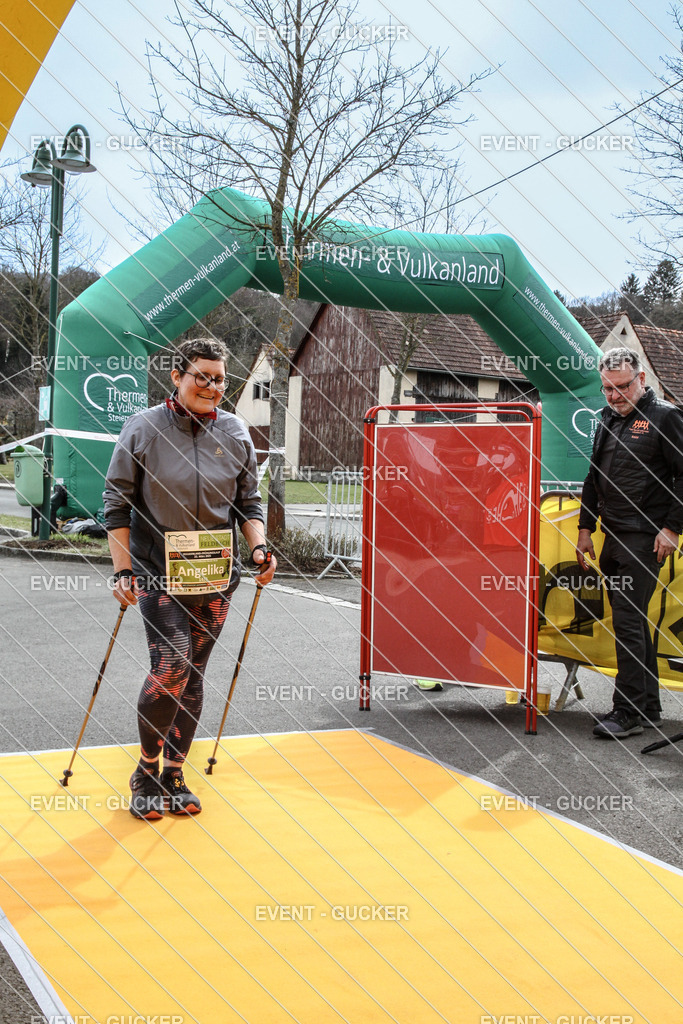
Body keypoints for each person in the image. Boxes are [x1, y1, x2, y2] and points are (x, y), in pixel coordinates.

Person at [104, 337, 276, 818]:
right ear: (177, 376)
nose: (211, 386)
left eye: (220, 378)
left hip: (217, 577)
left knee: (194, 675)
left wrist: (258, 545)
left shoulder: (237, 432)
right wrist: (122, 568)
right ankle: (146, 770)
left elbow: (248, 503)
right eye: (201, 375)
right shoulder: (142, 430)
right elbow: (116, 505)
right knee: (172, 667)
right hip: (159, 574)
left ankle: (175, 773)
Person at [576, 347, 683, 739]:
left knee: (627, 623)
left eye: (621, 387)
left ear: (642, 379)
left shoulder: (666, 417)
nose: (614, 395)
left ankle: (629, 711)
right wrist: (585, 528)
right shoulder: (606, 417)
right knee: (631, 623)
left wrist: (672, 529)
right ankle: (648, 708)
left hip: (645, 538)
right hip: (612, 535)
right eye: (607, 389)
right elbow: (592, 477)